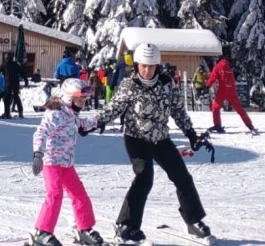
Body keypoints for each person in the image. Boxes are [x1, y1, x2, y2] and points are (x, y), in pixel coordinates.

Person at [94, 43, 211, 242]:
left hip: (161, 138)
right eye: (143, 66)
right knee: (144, 177)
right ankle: (126, 225)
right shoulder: (130, 85)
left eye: (151, 66)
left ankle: (194, 221)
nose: (147, 70)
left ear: (157, 65)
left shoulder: (167, 84)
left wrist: (191, 134)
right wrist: (98, 121)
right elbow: (114, 107)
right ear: (137, 65)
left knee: (182, 176)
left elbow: (178, 111)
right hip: (136, 138)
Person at [29, 79, 104, 246]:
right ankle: (42, 233)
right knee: (54, 195)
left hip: (66, 163)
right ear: (69, 99)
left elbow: (81, 123)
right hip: (51, 162)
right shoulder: (55, 113)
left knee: (79, 195)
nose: (83, 104)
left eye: (84, 101)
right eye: (79, 101)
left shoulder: (70, 112)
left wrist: (97, 123)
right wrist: (38, 154)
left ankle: (84, 229)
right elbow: (41, 132)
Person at [206, 58, 258, 135]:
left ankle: (217, 125)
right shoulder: (229, 69)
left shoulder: (217, 67)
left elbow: (213, 77)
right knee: (240, 109)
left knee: (215, 108)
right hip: (232, 91)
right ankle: (250, 126)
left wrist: (207, 86)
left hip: (222, 90)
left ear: (218, 61)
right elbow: (233, 80)